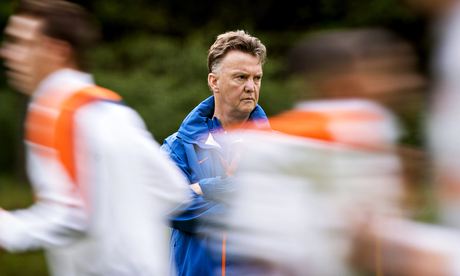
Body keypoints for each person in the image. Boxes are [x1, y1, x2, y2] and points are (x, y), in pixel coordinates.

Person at [0, 0, 189, 275]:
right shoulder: (115, 108)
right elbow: (175, 191)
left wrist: (8, 229)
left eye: (20, 43)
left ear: (56, 51)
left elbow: (70, 216)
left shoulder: (53, 108)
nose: (7, 53)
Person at [161, 30, 270, 276]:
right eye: (240, 77)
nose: (251, 87)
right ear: (214, 81)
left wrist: (207, 187)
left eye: (257, 78)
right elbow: (169, 205)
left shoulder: (276, 148)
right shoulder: (177, 146)